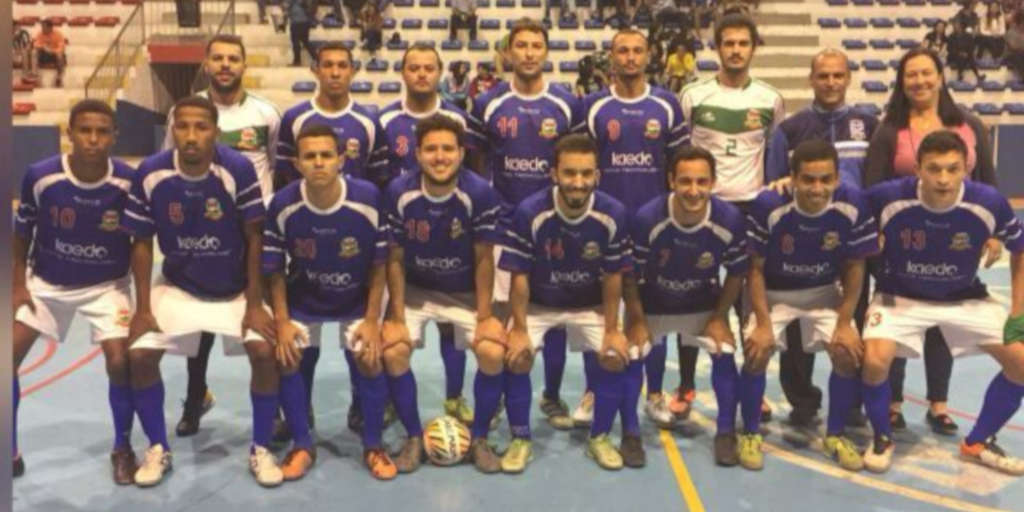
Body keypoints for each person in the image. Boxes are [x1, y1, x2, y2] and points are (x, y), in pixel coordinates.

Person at [121, 96, 280, 488]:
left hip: (234, 288)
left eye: (201, 127)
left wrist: (255, 302)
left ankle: (261, 447)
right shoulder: (152, 172)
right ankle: (158, 446)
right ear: (172, 130)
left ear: (216, 132)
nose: (191, 136)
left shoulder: (238, 168)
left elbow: (254, 235)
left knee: (264, 351)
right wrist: (143, 308)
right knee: (140, 353)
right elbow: (141, 242)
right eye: (183, 127)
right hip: (179, 286)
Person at [859, 130, 1024, 476]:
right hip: (898, 296)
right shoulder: (886, 198)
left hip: (964, 298)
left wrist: (1018, 312)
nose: (944, 179)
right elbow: (840, 207)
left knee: (1021, 362)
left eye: (953, 168)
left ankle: (978, 442)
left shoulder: (988, 202)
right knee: (875, 363)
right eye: (934, 169)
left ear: (967, 167)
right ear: (917, 168)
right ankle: (882, 438)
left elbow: (1020, 249)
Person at [864, 46, 1000, 436]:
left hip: (958, 240)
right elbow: (874, 185)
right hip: (903, 242)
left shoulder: (969, 124)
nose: (920, 81)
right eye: (911, 75)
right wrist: (876, 233)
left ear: (940, 77)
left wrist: (989, 232)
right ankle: (892, 401)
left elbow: (987, 180)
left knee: (943, 316)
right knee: (900, 319)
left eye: (927, 73)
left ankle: (938, 402)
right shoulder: (890, 129)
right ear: (901, 83)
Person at [161, 34, 283, 438]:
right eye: (218, 58)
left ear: (244, 64)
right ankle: (196, 398)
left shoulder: (266, 114)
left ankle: (275, 409)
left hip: (252, 231)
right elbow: (171, 163)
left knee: (260, 325)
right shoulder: (187, 111)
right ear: (207, 63)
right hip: (200, 229)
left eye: (234, 57)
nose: (226, 64)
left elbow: (276, 166)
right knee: (200, 326)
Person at [12, 100, 138, 483]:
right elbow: (21, 233)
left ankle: (122, 447)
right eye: (85, 130)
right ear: (70, 134)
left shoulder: (128, 181)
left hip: (107, 285)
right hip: (47, 284)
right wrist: (17, 285)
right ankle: (10, 452)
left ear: (115, 136)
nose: (93, 139)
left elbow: (142, 241)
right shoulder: (41, 176)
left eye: (102, 132)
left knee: (120, 361)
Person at [471, 18, 584, 433]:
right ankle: (501, 396)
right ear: (509, 52)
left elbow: (577, 161)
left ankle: (551, 395)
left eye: (537, 45)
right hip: (505, 225)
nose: (530, 52)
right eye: (522, 45)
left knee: (552, 314)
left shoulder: (567, 104)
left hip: (556, 227)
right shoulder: (488, 103)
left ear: (546, 52)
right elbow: (478, 162)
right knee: (503, 317)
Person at [264, 122, 391, 479]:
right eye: (310, 156)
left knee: (369, 358)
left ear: (341, 159)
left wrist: (371, 319)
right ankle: (302, 444)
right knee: (289, 357)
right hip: (304, 299)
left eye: (326, 155)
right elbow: (274, 270)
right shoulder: (283, 203)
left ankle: (373, 445)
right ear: (298, 163)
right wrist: (282, 321)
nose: (318, 162)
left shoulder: (367, 198)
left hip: (355, 300)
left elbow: (380, 265)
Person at [743, 139, 879, 471]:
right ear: (792, 178)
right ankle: (748, 432)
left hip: (822, 291)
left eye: (825, 179)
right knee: (756, 350)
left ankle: (834, 434)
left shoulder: (853, 203)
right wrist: (761, 323)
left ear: (836, 178)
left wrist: (846, 322)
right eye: (808, 179)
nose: (817, 188)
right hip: (773, 293)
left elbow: (855, 266)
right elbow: (754, 269)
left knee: (847, 352)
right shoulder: (767, 205)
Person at [499, 134, 632, 472]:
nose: (578, 182)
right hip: (540, 304)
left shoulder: (613, 213)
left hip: (589, 305)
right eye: (570, 173)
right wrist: (520, 329)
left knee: (615, 357)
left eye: (586, 174)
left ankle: (599, 437)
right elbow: (520, 276)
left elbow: (614, 275)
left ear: (597, 177)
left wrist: (613, 328)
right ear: (553, 174)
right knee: (517, 357)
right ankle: (520, 438)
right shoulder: (530, 212)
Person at [580, 29, 689, 437]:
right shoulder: (592, 107)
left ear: (649, 56)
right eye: (622, 51)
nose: (629, 58)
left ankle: (655, 393)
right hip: (603, 225)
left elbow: (680, 166)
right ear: (610, 58)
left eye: (637, 51)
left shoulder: (667, 105)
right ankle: (593, 390)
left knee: (652, 314)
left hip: (654, 225)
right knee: (599, 313)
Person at [276, 42, 390, 433]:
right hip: (308, 236)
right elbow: (283, 180)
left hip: (354, 238)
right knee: (300, 341)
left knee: (356, 343)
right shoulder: (294, 118)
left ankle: (362, 406)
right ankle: (298, 415)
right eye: (328, 65)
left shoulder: (369, 121)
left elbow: (379, 181)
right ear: (316, 70)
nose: (336, 72)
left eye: (343, 65)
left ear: (353, 71)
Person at [676, 13, 783, 421]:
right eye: (729, 43)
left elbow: (773, 154)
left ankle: (751, 387)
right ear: (717, 48)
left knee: (746, 303)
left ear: (753, 48)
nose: (735, 50)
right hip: (701, 208)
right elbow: (683, 154)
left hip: (750, 209)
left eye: (743, 43)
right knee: (689, 295)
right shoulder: (693, 96)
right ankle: (685, 387)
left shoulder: (771, 99)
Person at [383, 115, 505, 472]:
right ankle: (412, 437)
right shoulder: (399, 192)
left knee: (492, 351)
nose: (440, 157)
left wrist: (484, 317)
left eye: (448, 149)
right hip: (417, 289)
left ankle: (479, 437)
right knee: (393, 352)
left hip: (464, 289)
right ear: (417, 154)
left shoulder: (480, 192)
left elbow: (484, 258)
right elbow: (394, 259)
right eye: (431, 149)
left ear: (461, 153)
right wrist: (396, 317)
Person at [763, 49, 879, 428]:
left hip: (854, 239)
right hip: (803, 242)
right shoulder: (791, 129)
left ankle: (851, 404)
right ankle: (802, 400)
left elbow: (876, 180)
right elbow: (777, 183)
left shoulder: (868, 124)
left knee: (853, 319)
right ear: (811, 79)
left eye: (838, 75)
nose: (831, 82)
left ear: (848, 79)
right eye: (823, 75)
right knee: (797, 328)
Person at [377, 47, 486, 424]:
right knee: (394, 334)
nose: (422, 75)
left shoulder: (459, 118)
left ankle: (454, 397)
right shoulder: (385, 119)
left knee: (451, 326)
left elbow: (471, 170)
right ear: (402, 72)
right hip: (405, 230)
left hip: (452, 231)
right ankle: (394, 401)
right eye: (414, 68)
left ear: (440, 72)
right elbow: (379, 175)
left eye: (429, 68)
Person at [626, 146, 749, 467]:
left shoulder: (729, 219)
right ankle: (630, 435)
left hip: (702, 304)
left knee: (724, 349)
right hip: (654, 304)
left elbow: (737, 274)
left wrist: (720, 317)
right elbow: (628, 276)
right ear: (671, 180)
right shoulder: (647, 219)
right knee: (631, 354)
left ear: (713, 182)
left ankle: (725, 433)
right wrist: (637, 320)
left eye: (701, 181)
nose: (693, 190)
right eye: (685, 181)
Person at [33, 19, 66, 87]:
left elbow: (61, 47)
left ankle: (59, 77)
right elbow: (36, 44)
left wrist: (52, 51)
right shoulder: (40, 33)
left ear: (50, 27)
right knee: (35, 53)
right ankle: (35, 75)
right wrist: (43, 47)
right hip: (44, 54)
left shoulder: (58, 34)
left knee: (59, 55)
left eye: (44, 27)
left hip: (54, 54)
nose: (42, 29)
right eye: (42, 27)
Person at [285, 0, 317, 66]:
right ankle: (317, 59)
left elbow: (286, 6)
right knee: (306, 42)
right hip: (304, 22)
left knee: (296, 42)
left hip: (297, 22)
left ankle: (297, 61)